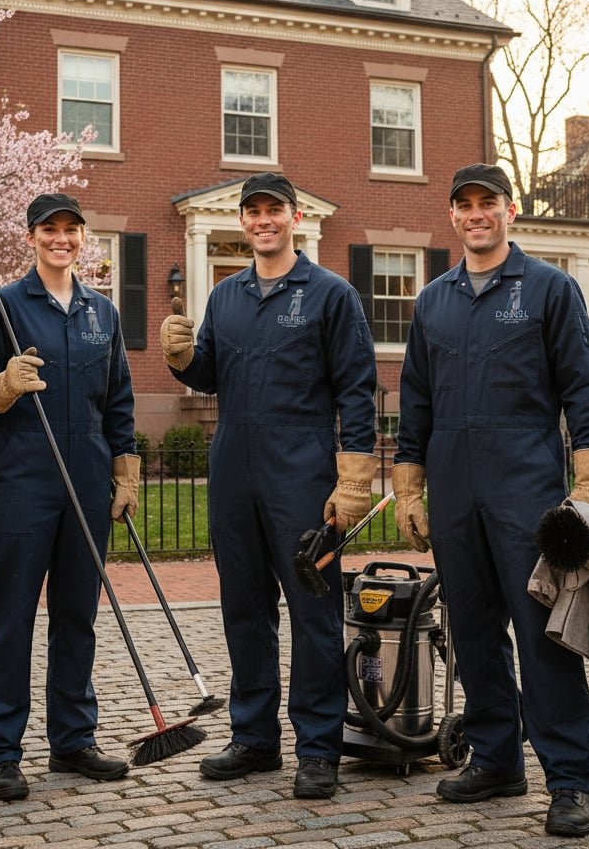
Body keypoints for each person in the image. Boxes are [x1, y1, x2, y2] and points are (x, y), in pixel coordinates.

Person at [392, 163, 589, 839]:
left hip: (527, 488)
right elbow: (415, 401)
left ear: (509, 211)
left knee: (544, 634)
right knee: (473, 630)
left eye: (489, 202)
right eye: (465, 205)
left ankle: (570, 779)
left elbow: (582, 387)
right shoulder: (433, 301)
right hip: (456, 491)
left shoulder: (549, 288)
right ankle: (495, 757)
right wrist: (409, 484)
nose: (477, 214)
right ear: (453, 216)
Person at [160, 172, 378, 800]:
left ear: (295, 219)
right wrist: (183, 359)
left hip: (302, 471)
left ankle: (318, 746)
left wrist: (354, 476)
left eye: (273, 211)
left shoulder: (331, 295)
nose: (262, 221)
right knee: (244, 610)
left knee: (312, 611)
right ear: (243, 220)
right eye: (252, 212)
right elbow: (211, 374)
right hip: (233, 470)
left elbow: (357, 391)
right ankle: (254, 738)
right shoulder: (226, 297)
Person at [0, 192, 139, 802]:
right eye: (49, 230)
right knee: (9, 617)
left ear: (81, 238)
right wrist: (3, 385)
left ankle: (73, 738)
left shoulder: (102, 313)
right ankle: (1, 752)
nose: (61, 239)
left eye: (70, 230)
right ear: (32, 237)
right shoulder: (4, 305)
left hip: (86, 478)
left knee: (76, 614)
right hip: (23, 481)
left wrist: (126, 471)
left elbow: (118, 400)